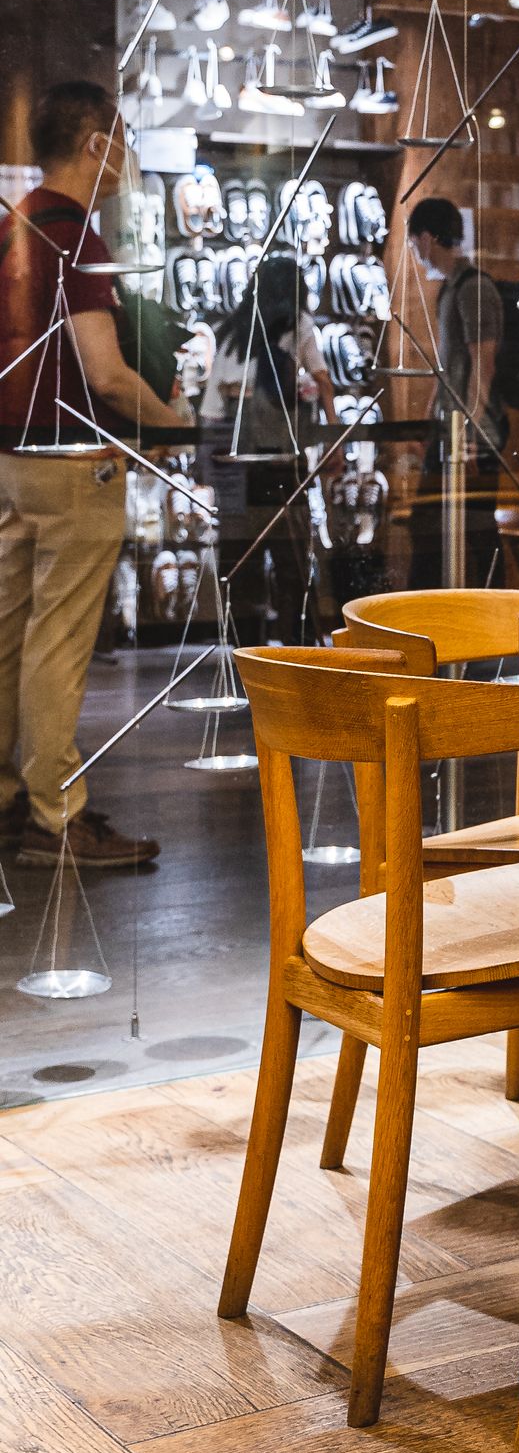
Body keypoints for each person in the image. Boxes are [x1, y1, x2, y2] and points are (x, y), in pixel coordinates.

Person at [0, 81, 191, 867]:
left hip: (14, 458)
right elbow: (106, 374)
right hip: (77, 461)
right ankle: (55, 813)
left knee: (10, 630)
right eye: (122, 141)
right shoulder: (76, 236)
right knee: (59, 640)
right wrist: (177, 423)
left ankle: (11, 799)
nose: (127, 160)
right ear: (95, 144)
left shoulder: (14, 226)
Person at [199, 251, 328, 646]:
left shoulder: (231, 332)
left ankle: (245, 651)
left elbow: (211, 410)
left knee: (240, 561)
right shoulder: (299, 326)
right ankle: (297, 649)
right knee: (291, 560)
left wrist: (207, 466)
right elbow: (324, 381)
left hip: (234, 463)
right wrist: (333, 438)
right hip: (281, 460)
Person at [405, 195, 506, 589]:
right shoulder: (449, 289)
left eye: (415, 242)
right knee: (434, 531)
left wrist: (468, 435)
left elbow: (484, 366)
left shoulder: (473, 289)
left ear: (428, 238)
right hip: (451, 430)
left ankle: (505, 629)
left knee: (478, 535)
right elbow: (449, 367)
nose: (415, 251)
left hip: (472, 435)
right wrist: (431, 420)